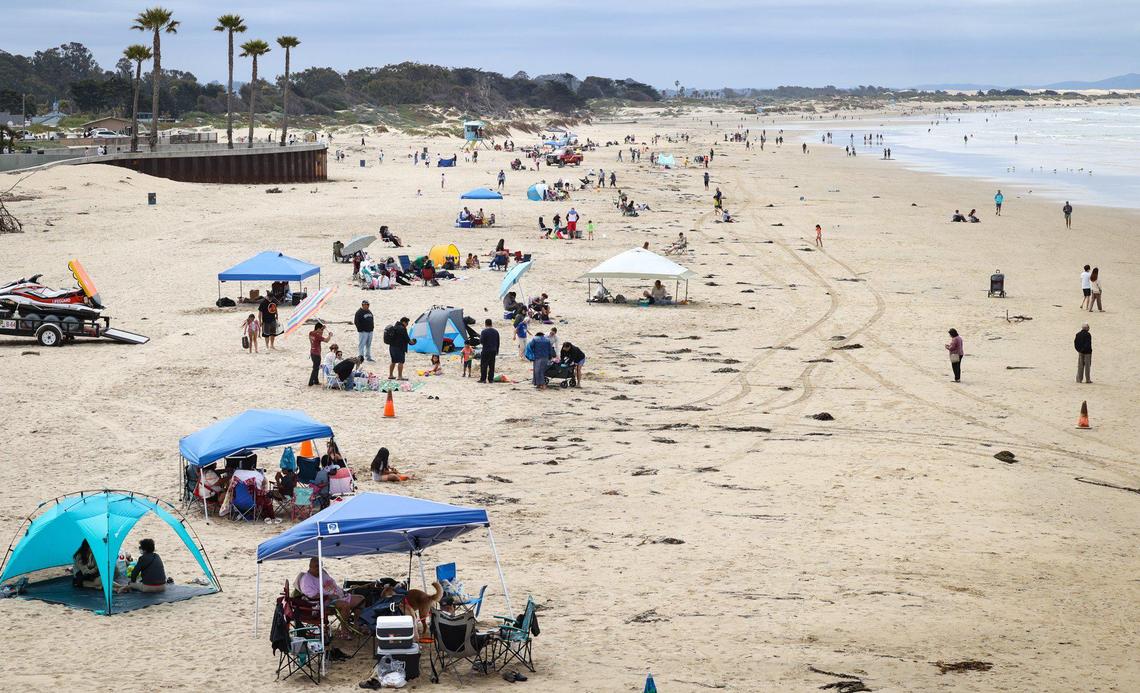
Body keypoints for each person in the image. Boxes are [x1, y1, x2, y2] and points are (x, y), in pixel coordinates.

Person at [298, 557, 364, 625]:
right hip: (325, 603)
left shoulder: (322, 572)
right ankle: (344, 631)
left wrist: (341, 591)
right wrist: (329, 596)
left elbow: (332, 584)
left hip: (339, 596)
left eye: (320, 566)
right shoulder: (306, 580)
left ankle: (356, 624)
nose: (319, 568)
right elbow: (313, 597)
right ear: (310, 566)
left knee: (361, 599)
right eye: (316, 566)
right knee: (345, 605)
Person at [479, 319, 499, 383]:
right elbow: (498, 342)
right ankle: (491, 379)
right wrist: (497, 350)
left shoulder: (484, 332)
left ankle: (483, 379)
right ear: (491, 323)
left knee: (484, 365)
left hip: (486, 350)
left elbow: (481, 341)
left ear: (485, 324)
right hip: (493, 350)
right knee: (492, 365)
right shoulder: (496, 331)